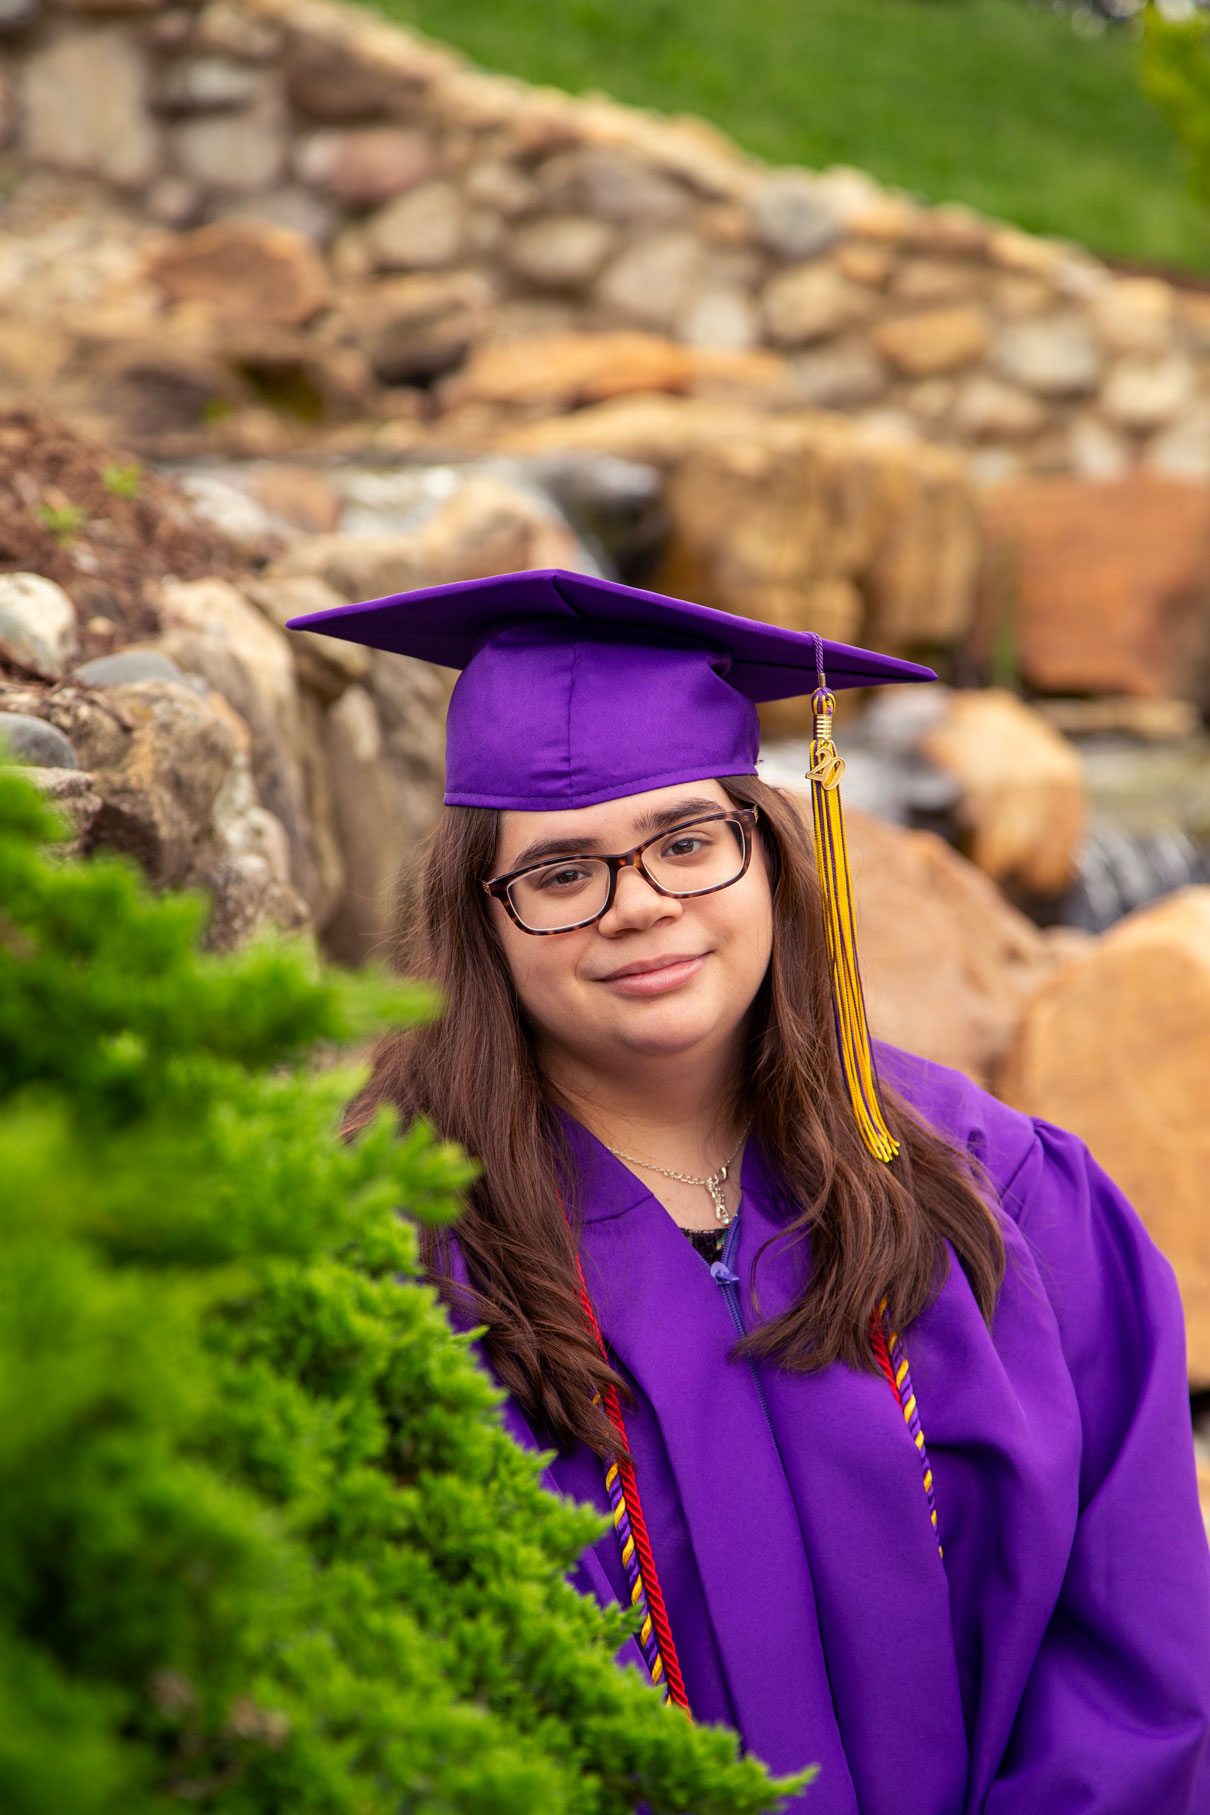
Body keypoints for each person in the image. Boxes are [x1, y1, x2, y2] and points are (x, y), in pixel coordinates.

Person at [291, 567, 1210, 1814]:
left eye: (685, 842)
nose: (642, 908)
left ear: (770, 854)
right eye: (562, 874)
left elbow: (1134, 1645)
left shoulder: (1002, 1195)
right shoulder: (401, 1256)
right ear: (482, 919)